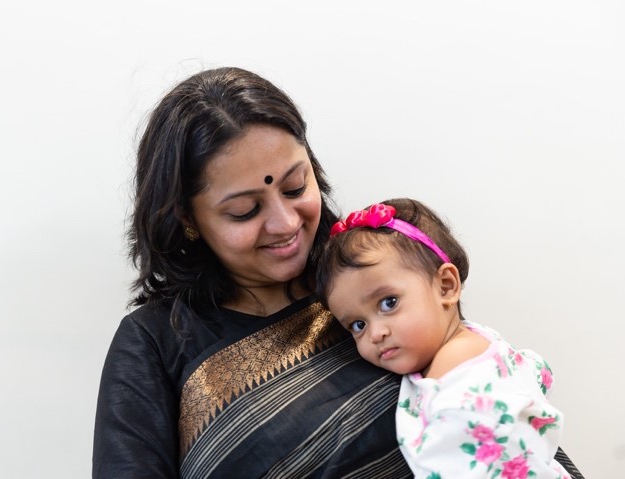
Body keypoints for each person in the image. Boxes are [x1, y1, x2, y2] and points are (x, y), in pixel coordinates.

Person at [93, 67, 584, 478]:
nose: (285, 224)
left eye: (294, 186)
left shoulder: (373, 277)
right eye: (244, 211)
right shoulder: (155, 343)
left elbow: (497, 415)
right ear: (187, 219)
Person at [315, 198, 578, 478]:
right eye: (357, 325)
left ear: (446, 286)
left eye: (389, 303)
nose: (376, 333)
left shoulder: (454, 370)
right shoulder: (474, 338)